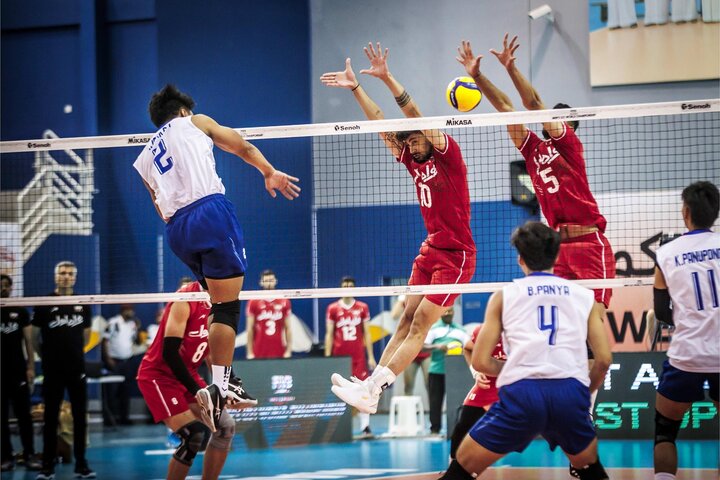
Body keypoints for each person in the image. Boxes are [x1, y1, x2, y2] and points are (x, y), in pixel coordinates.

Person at [321, 43, 477, 414]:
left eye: (415, 136)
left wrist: (387, 77)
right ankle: (371, 386)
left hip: (457, 257)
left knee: (421, 324)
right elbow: (381, 123)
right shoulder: (410, 156)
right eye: (407, 139)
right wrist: (357, 88)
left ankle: (374, 387)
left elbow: (412, 113)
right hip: (431, 249)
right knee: (405, 318)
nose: (410, 142)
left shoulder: (447, 156)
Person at [133, 85, 300, 430]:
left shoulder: (145, 155)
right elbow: (243, 146)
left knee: (214, 302)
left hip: (177, 230)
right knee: (227, 307)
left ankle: (227, 380)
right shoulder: (195, 121)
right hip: (209, 212)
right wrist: (269, 171)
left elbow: (158, 206)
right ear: (182, 111)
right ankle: (220, 388)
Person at [441, 221, 612, 480]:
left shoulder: (504, 295)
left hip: (523, 394)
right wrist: (582, 393)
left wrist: (511, 368)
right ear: (557, 255)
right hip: (569, 393)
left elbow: (480, 361)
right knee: (591, 471)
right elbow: (603, 360)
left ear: (520, 259)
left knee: (461, 468)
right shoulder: (585, 296)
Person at [137, 280, 248, 480]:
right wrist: (198, 391)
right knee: (193, 436)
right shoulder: (186, 298)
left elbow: (214, 354)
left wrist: (228, 388)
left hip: (188, 373)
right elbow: (170, 352)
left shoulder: (223, 303)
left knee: (225, 427)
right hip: (158, 376)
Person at [652, 181, 719, 480]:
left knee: (665, 433)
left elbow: (664, 312)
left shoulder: (666, 254)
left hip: (686, 356)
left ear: (686, 211)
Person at [32, 261, 95, 479]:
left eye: (70, 273)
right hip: (52, 369)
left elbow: (87, 336)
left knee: (80, 417)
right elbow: (33, 336)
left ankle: (81, 464)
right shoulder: (45, 303)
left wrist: (76, 352)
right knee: (50, 417)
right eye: (62, 273)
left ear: (75, 277)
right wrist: (45, 355)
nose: (66, 276)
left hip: (76, 369)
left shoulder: (82, 303)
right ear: (56, 276)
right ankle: (47, 465)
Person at [325, 276, 377, 438]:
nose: (347, 287)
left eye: (350, 285)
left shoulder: (362, 307)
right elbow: (329, 334)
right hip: (340, 356)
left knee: (363, 390)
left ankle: (365, 427)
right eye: (345, 285)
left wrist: (370, 356)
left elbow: (367, 333)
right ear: (341, 287)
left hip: (358, 356)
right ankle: (338, 428)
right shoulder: (333, 308)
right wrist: (327, 356)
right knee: (340, 392)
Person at [1, 274, 42, 472]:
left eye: (6, 286)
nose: (3, 289)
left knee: (24, 416)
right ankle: (5, 457)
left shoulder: (20, 311)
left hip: (18, 371)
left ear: (11, 288)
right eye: (0, 286)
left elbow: (29, 342)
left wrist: (31, 367)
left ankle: (29, 455)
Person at [448, 324, 505, 459]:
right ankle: (453, 465)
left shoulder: (523, 334)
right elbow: (467, 349)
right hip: (487, 385)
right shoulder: (483, 331)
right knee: (464, 425)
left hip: (514, 387)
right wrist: (476, 373)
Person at [422, 307, 470, 435]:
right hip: (437, 370)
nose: (448, 313)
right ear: (440, 313)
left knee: (458, 402)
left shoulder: (461, 330)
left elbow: (470, 347)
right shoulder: (433, 329)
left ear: (454, 312)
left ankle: (457, 429)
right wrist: (437, 346)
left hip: (456, 372)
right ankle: (435, 429)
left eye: (450, 311)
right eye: (445, 311)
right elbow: (422, 346)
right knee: (435, 401)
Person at [102, 304, 141, 425]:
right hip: (115, 361)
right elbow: (105, 341)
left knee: (126, 391)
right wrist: (108, 358)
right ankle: (110, 419)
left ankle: (124, 418)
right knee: (112, 391)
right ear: (123, 311)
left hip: (128, 361)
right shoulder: (113, 322)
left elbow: (136, 341)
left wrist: (137, 328)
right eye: (128, 310)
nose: (131, 313)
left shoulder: (132, 325)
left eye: (132, 311)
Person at [245, 270, 292, 359]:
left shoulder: (284, 301)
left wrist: (289, 350)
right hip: (259, 349)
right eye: (266, 281)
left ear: (275, 281)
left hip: (279, 348)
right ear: (261, 283)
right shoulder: (253, 302)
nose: (269, 284)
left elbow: (288, 328)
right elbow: (249, 328)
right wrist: (249, 352)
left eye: (271, 280)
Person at [392, 295, 431, 397]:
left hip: (425, 350)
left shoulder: (429, 298)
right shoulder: (406, 299)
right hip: (409, 350)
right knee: (408, 385)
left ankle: (434, 412)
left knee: (429, 384)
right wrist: (401, 301)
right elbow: (394, 315)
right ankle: (408, 412)